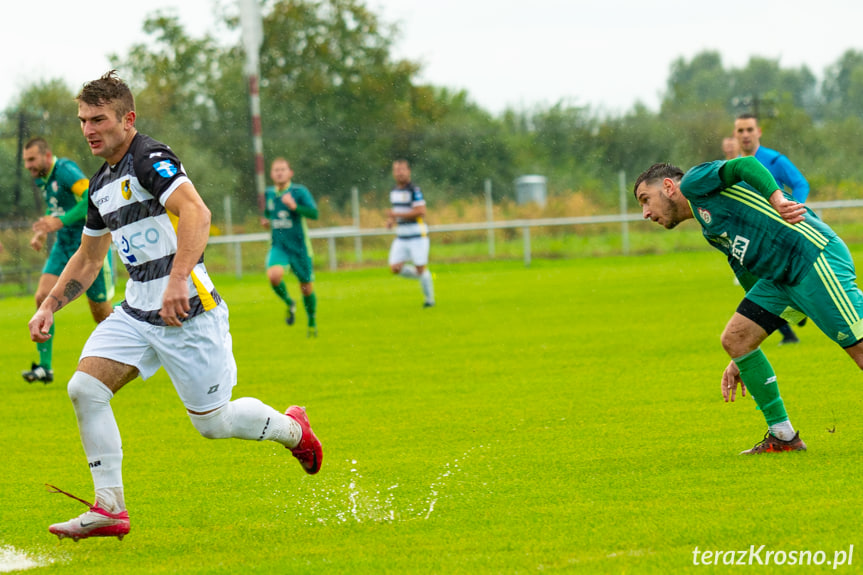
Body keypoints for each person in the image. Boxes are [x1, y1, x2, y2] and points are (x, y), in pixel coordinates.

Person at [28, 71, 322, 542]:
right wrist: (49, 307)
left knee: (214, 423)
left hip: (188, 310)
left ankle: (293, 429)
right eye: (83, 120)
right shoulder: (101, 183)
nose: (88, 129)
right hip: (137, 311)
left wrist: (178, 279)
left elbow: (197, 213)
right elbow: (88, 256)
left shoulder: (151, 158)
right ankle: (109, 508)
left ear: (128, 119)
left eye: (98, 119)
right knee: (84, 388)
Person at [633, 157, 863, 454]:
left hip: (810, 259)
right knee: (737, 339)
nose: (645, 213)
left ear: (668, 186)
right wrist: (746, 355)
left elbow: (744, 165)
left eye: (645, 200)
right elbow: (748, 277)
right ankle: (783, 437)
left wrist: (777, 199)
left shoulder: (693, 182)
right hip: (780, 279)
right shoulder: (710, 228)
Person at [22, 138, 116, 384]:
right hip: (63, 243)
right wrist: (42, 231)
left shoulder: (64, 170)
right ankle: (45, 367)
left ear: (47, 155)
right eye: (25, 161)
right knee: (42, 297)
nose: (28, 165)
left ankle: (143, 329)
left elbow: (91, 196)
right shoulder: (42, 178)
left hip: (90, 242)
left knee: (102, 314)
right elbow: (55, 210)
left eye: (32, 159)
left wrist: (60, 222)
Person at [735, 114, 811, 344]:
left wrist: (792, 210)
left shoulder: (774, 160)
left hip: (778, 234)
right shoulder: (735, 166)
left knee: (778, 282)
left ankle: (795, 317)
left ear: (758, 132)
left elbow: (800, 183)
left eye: (749, 129)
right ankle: (790, 327)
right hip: (750, 236)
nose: (745, 135)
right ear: (735, 134)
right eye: (740, 131)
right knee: (755, 285)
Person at [260, 158, 319, 337]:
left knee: (306, 287)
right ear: (271, 174)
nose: (279, 172)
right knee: (274, 276)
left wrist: (295, 207)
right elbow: (268, 214)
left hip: (299, 248)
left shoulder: (299, 192)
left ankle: (311, 321)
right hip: (279, 246)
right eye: (276, 170)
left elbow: (314, 213)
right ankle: (289, 302)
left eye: (283, 169)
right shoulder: (269, 194)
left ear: (290, 173)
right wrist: (266, 221)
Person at [387, 159, 435, 307]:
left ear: (409, 171)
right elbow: (397, 212)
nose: (399, 173)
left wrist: (395, 215)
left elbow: (421, 211)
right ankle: (424, 275)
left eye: (402, 170)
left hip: (417, 236)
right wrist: (391, 221)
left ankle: (429, 300)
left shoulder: (414, 190)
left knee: (420, 268)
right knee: (395, 268)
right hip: (401, 237)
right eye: (396, 170)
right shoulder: (394, 192)